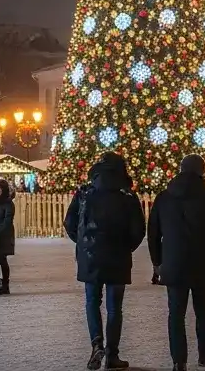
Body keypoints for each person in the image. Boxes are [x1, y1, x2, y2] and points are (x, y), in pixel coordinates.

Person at [147, 154, 205, 371]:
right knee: (203, 309)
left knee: (176, 313)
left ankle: (179, 361)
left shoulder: (164, 197)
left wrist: (157, 262)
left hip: (173, 263)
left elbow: (153, 233)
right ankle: (204, 353)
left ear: (180, 170)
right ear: (202, 171)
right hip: (203, 263)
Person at [65, 153, 146, 370]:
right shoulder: (128, 196)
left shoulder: (84, 193)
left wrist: (84, 244)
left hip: (90, 256)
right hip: (118, 257)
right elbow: (138, 230)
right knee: (114, 307)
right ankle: (112, 355)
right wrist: (125, 247)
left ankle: (96, 343)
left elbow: (69, 222)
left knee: (92, 301)